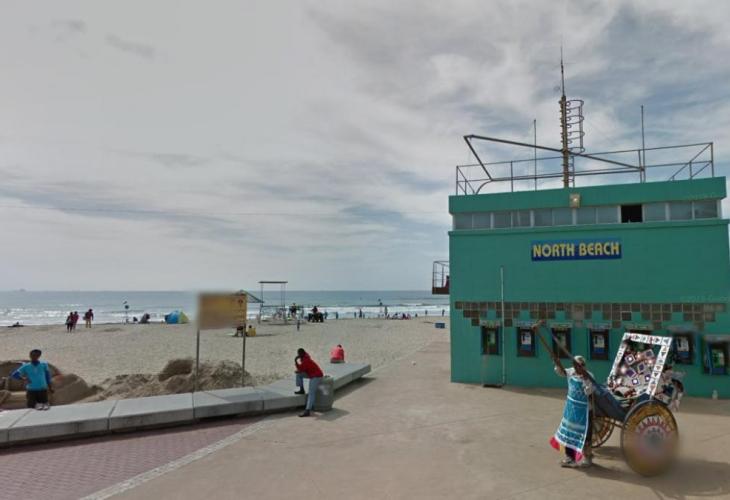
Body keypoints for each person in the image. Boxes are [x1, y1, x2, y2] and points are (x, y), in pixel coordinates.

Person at [550, 355, 594, 468]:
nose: (579, 368)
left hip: (584, 412)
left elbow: (589, 392)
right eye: (576, 365)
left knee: (585, 435)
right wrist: (557, 363)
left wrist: (585, 379)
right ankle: (570, 459)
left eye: (581, 365)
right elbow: (561, 372)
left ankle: (588, 457)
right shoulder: (570, 372)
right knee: (569, 434)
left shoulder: (589, 376)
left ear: (584, 366)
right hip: (571, 410)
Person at [294, 348, 323, 417]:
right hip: (311, 374)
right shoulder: (304, 358)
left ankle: (307, 410)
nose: (298, 355)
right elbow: (301, 369)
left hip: (316, 376)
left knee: (311, 393)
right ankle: (301, 389)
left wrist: (295, 361)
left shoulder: (305, 360)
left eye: (299, 354)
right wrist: (298, 368)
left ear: (302, 354)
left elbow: (300, 369)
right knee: (298, 375)